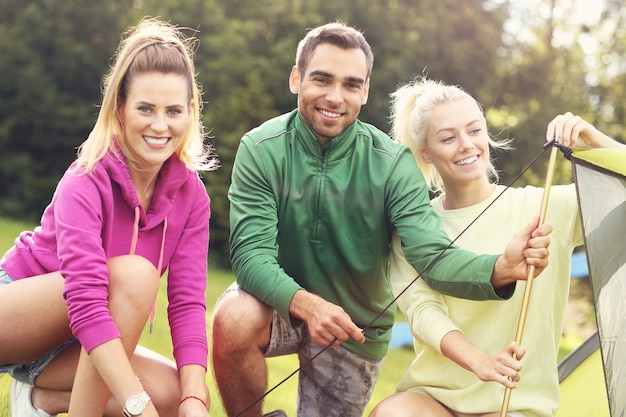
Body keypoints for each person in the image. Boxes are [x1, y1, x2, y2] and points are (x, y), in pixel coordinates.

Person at [210, 23, 551, 417]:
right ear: (296, 79)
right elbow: (251, 257)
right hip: (282, 307)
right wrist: (307, 305)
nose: (335, 97)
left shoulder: (392, 164)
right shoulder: (261, 147)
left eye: (351, 85)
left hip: (353, 331)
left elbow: (431, 257)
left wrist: (500, 268)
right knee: (233, 316)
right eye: (322, 80)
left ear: (366, 91)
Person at [0, 18, 219, 417]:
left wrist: (194, 398)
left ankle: (38, 401)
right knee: (136, 275)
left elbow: (188, 303)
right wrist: (137, 405)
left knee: (170, 394)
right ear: (119, 108)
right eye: (145, 108)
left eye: (173, 110)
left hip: (71, 347)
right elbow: (84, 299)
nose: (159, 125)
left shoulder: (192, 197)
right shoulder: (86, 177)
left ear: (190, 112)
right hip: (19, 312)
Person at [368, 78, 626, 417]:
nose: (466, 145)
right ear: (426, 153)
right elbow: (422, 311)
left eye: (474, 131)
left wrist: (594, 142)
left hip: (514, 404)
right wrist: (480, 362)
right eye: (448, 137)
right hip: (435, 398)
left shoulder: (547, 204)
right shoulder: (414, 225)